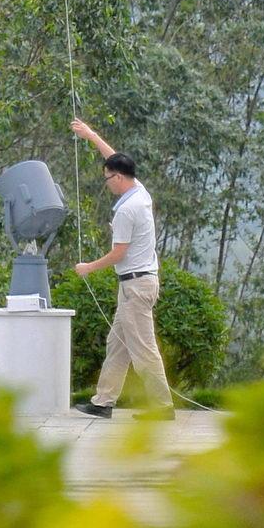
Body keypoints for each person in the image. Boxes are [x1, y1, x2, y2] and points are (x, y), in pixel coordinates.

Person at [68, 116, 175, 417]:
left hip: (136, 286)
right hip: (132, 285)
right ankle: (103, 402)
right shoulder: (139, 191)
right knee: (117, 345)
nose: (107, 183)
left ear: (117, 178)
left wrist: (88, 267)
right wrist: (91, 135)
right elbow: (112, 157)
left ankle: (163, 407)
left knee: (143, 350)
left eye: (107, 178)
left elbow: (118, 253)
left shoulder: (128, 209)